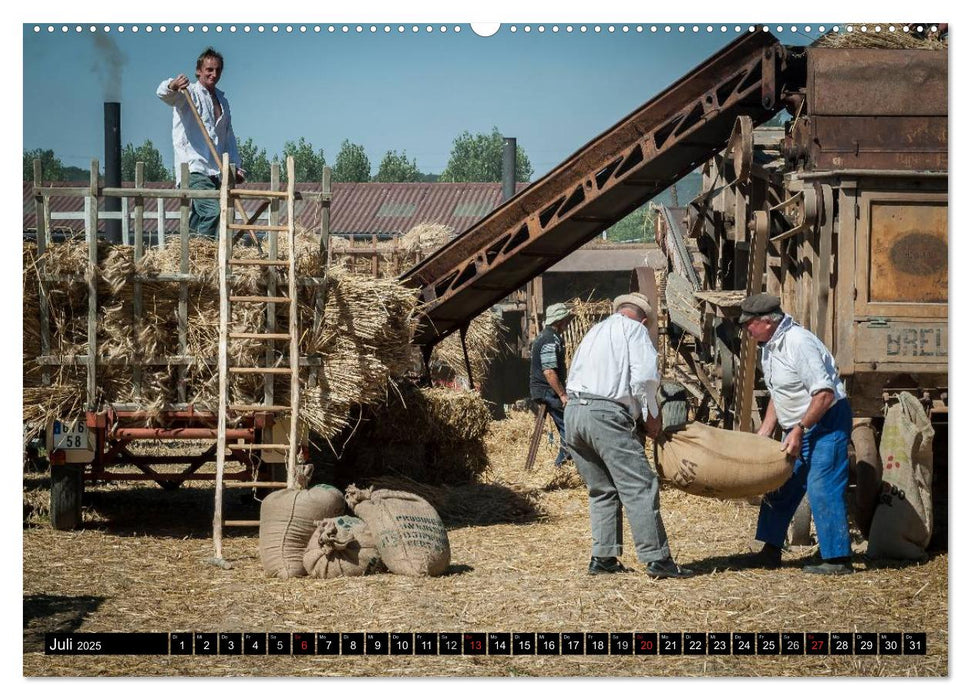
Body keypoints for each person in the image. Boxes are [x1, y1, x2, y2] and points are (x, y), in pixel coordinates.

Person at [565, 293, 694, 579]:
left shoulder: (595, 331)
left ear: (618, 310)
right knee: (639, 485)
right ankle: (658, 559)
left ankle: (604, 557)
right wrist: (652, 417)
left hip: (574, 412)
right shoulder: (635, 331)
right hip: (605, 414)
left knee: (602, 488)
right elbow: (645, 378)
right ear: (645, 320)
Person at [736, 293, 854, 575]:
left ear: (767, 321)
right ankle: (770, 550)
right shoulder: (770, 345)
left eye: (748, 324)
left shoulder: (798, 343)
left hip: (827, 422)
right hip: (799, 425)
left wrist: (800, 428)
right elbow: (780, 392)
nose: (746, 330)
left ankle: (837, 560)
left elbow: (824, 394)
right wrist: (766, 430)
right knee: (780, 484)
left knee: (821, 486)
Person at [157, 47, 244, 238]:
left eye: (218, 70)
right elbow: (164, 94)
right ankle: (204, 254)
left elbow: (228, 137)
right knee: (213, 212)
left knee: (202, 216)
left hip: (216, 170)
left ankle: (186, 254)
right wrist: (172, 84)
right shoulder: (188, 94)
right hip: (193, 168)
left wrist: (235, 166)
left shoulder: (222, 100)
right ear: (198, 71)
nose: (214, 74)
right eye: (209, 70)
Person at [529, 302, 574, 467]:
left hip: (544, 389)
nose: (567, 323)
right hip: (548, 390)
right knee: (570, 426)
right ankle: (562, 463)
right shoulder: (549, 340)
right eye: (566, 320)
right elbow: (549, 371)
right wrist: (562, 394)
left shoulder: (545, 336)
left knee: (566, 425)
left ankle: (564, 461)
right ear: (560, 321)